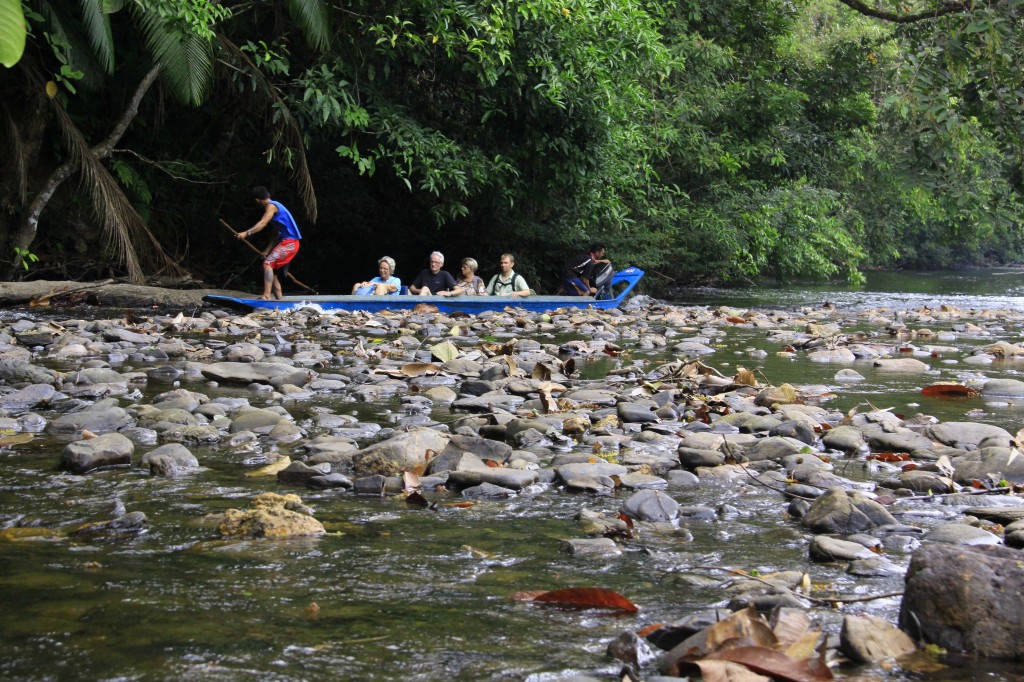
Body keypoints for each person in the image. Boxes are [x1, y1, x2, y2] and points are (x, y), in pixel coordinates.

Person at [236, 186, 302, 300]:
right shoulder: (276, 210)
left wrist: (246, 233)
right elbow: (275, 235)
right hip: (288, 243)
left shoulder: (271, 206)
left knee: (267, 264)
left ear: (257, 200)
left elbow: (262, 223)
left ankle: (266, 296)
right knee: (273, 273)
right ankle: (280, 301)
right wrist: (266, 251)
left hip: (290, 243)